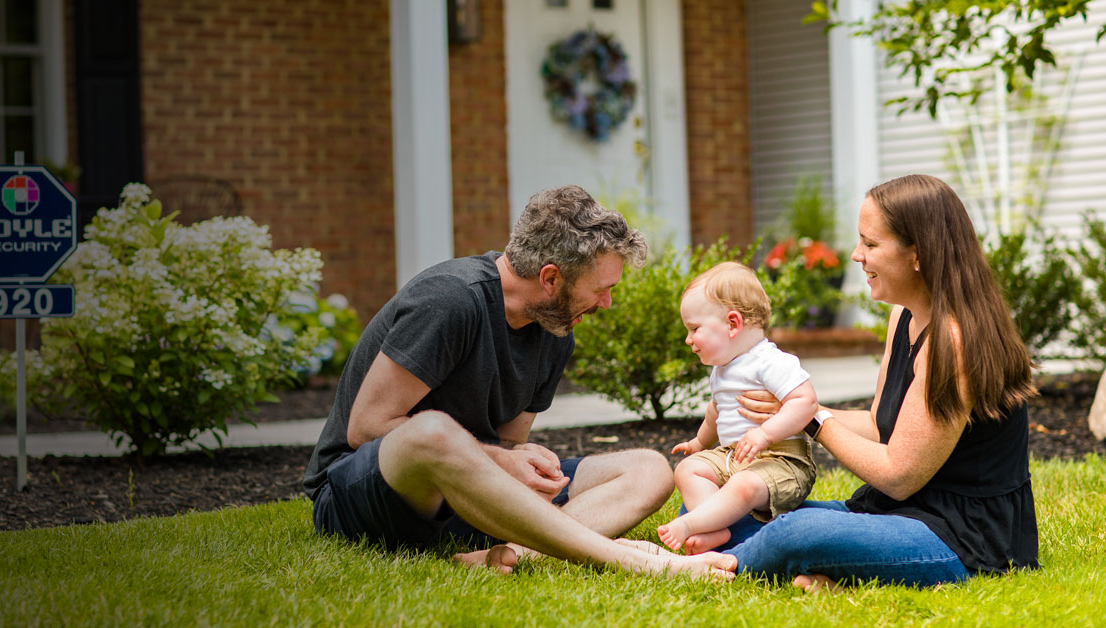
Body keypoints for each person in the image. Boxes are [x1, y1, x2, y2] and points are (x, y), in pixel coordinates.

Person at [623, 174, 1040, 590]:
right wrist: (789, 411)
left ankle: (705, 567)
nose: (857, 255)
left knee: (797, 531)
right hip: (896, 514)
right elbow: (881, 425)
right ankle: (830, 574)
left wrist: (813, 420)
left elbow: (899, 474)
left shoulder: (954, 340)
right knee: (723, 506)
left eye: (871, 244)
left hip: (961, 538)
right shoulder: (906, 317)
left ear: (918, 253)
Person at [303, 184, 731, 580]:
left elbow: (507, 445)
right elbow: (366, 427)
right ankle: (634, 561)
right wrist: (504, 461)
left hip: (467, 500)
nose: (608, 302)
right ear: (550, 278)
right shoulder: (450, 299)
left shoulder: (555, 327)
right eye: (601, 289)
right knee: (432, 431)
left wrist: (523, 464)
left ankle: (511, 554)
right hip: (367, 494)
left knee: (649, 468)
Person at [658, 262, 819, 554]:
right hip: (734, 456)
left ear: (733, 324)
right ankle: (714, 529)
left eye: (695, 329)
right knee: (687, 470)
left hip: (780, 460)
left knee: (743, 485)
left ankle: (693, 524)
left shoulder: (770, 361)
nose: (688, 339)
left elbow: (805, 402)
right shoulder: (722, 369)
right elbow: (715, 412)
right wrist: (699, 442)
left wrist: (765, 434)